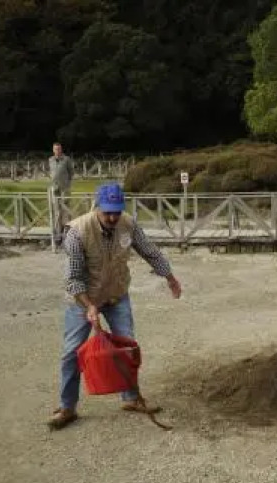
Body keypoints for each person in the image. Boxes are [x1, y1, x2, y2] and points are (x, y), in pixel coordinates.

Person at [48, 182, 182, 430]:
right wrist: (89, 306)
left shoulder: (128, 224)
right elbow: (73, 279)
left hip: (116, 295)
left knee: (127, 346)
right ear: (97, 207)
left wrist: (170, 277)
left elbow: (150, 251)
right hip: (83, 299)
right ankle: (67, 407)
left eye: (116, 212)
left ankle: (131, 398)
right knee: (72, 351)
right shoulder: (77, 232)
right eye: (107, 212)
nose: (112, 217)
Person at [48, 142, 75, 246]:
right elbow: (52, 172)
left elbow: (71, 172)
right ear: (53, 150)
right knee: (56, 210)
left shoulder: (66, 159)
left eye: (59, 149)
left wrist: (67, 183)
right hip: (55, 188)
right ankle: (58, 233)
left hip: (65, 188)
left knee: (66, 210)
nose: (57, 151)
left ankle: (68, 232)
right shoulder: (50, 160)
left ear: (61, 149)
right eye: (55, 149)